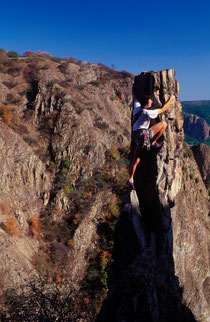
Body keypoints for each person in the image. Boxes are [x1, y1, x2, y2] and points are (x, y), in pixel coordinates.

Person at [128, 93, 176, 189]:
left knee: (136, 159)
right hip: (144, 135)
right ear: (147, 105)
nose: (152, 102)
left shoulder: (137, 108)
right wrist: (170, 100)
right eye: (150, 102)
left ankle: (131, 178)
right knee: (164, 124)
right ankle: (153, 141)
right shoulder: (147, 113)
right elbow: (162, 110)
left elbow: (136, 98)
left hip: (136, 137)